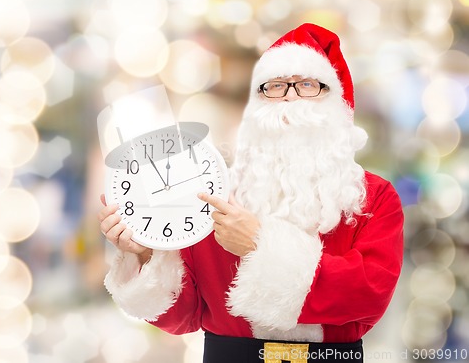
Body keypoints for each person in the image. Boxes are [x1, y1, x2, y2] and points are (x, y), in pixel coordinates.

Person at [98, 23, 404, 363]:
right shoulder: (214, 192)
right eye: (275, 86)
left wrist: (261, 244)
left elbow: (367, 296)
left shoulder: (375, 198)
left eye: (306, 84)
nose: (289, 96)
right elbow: (184, 314)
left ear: (336, 102)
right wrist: (145, 254)